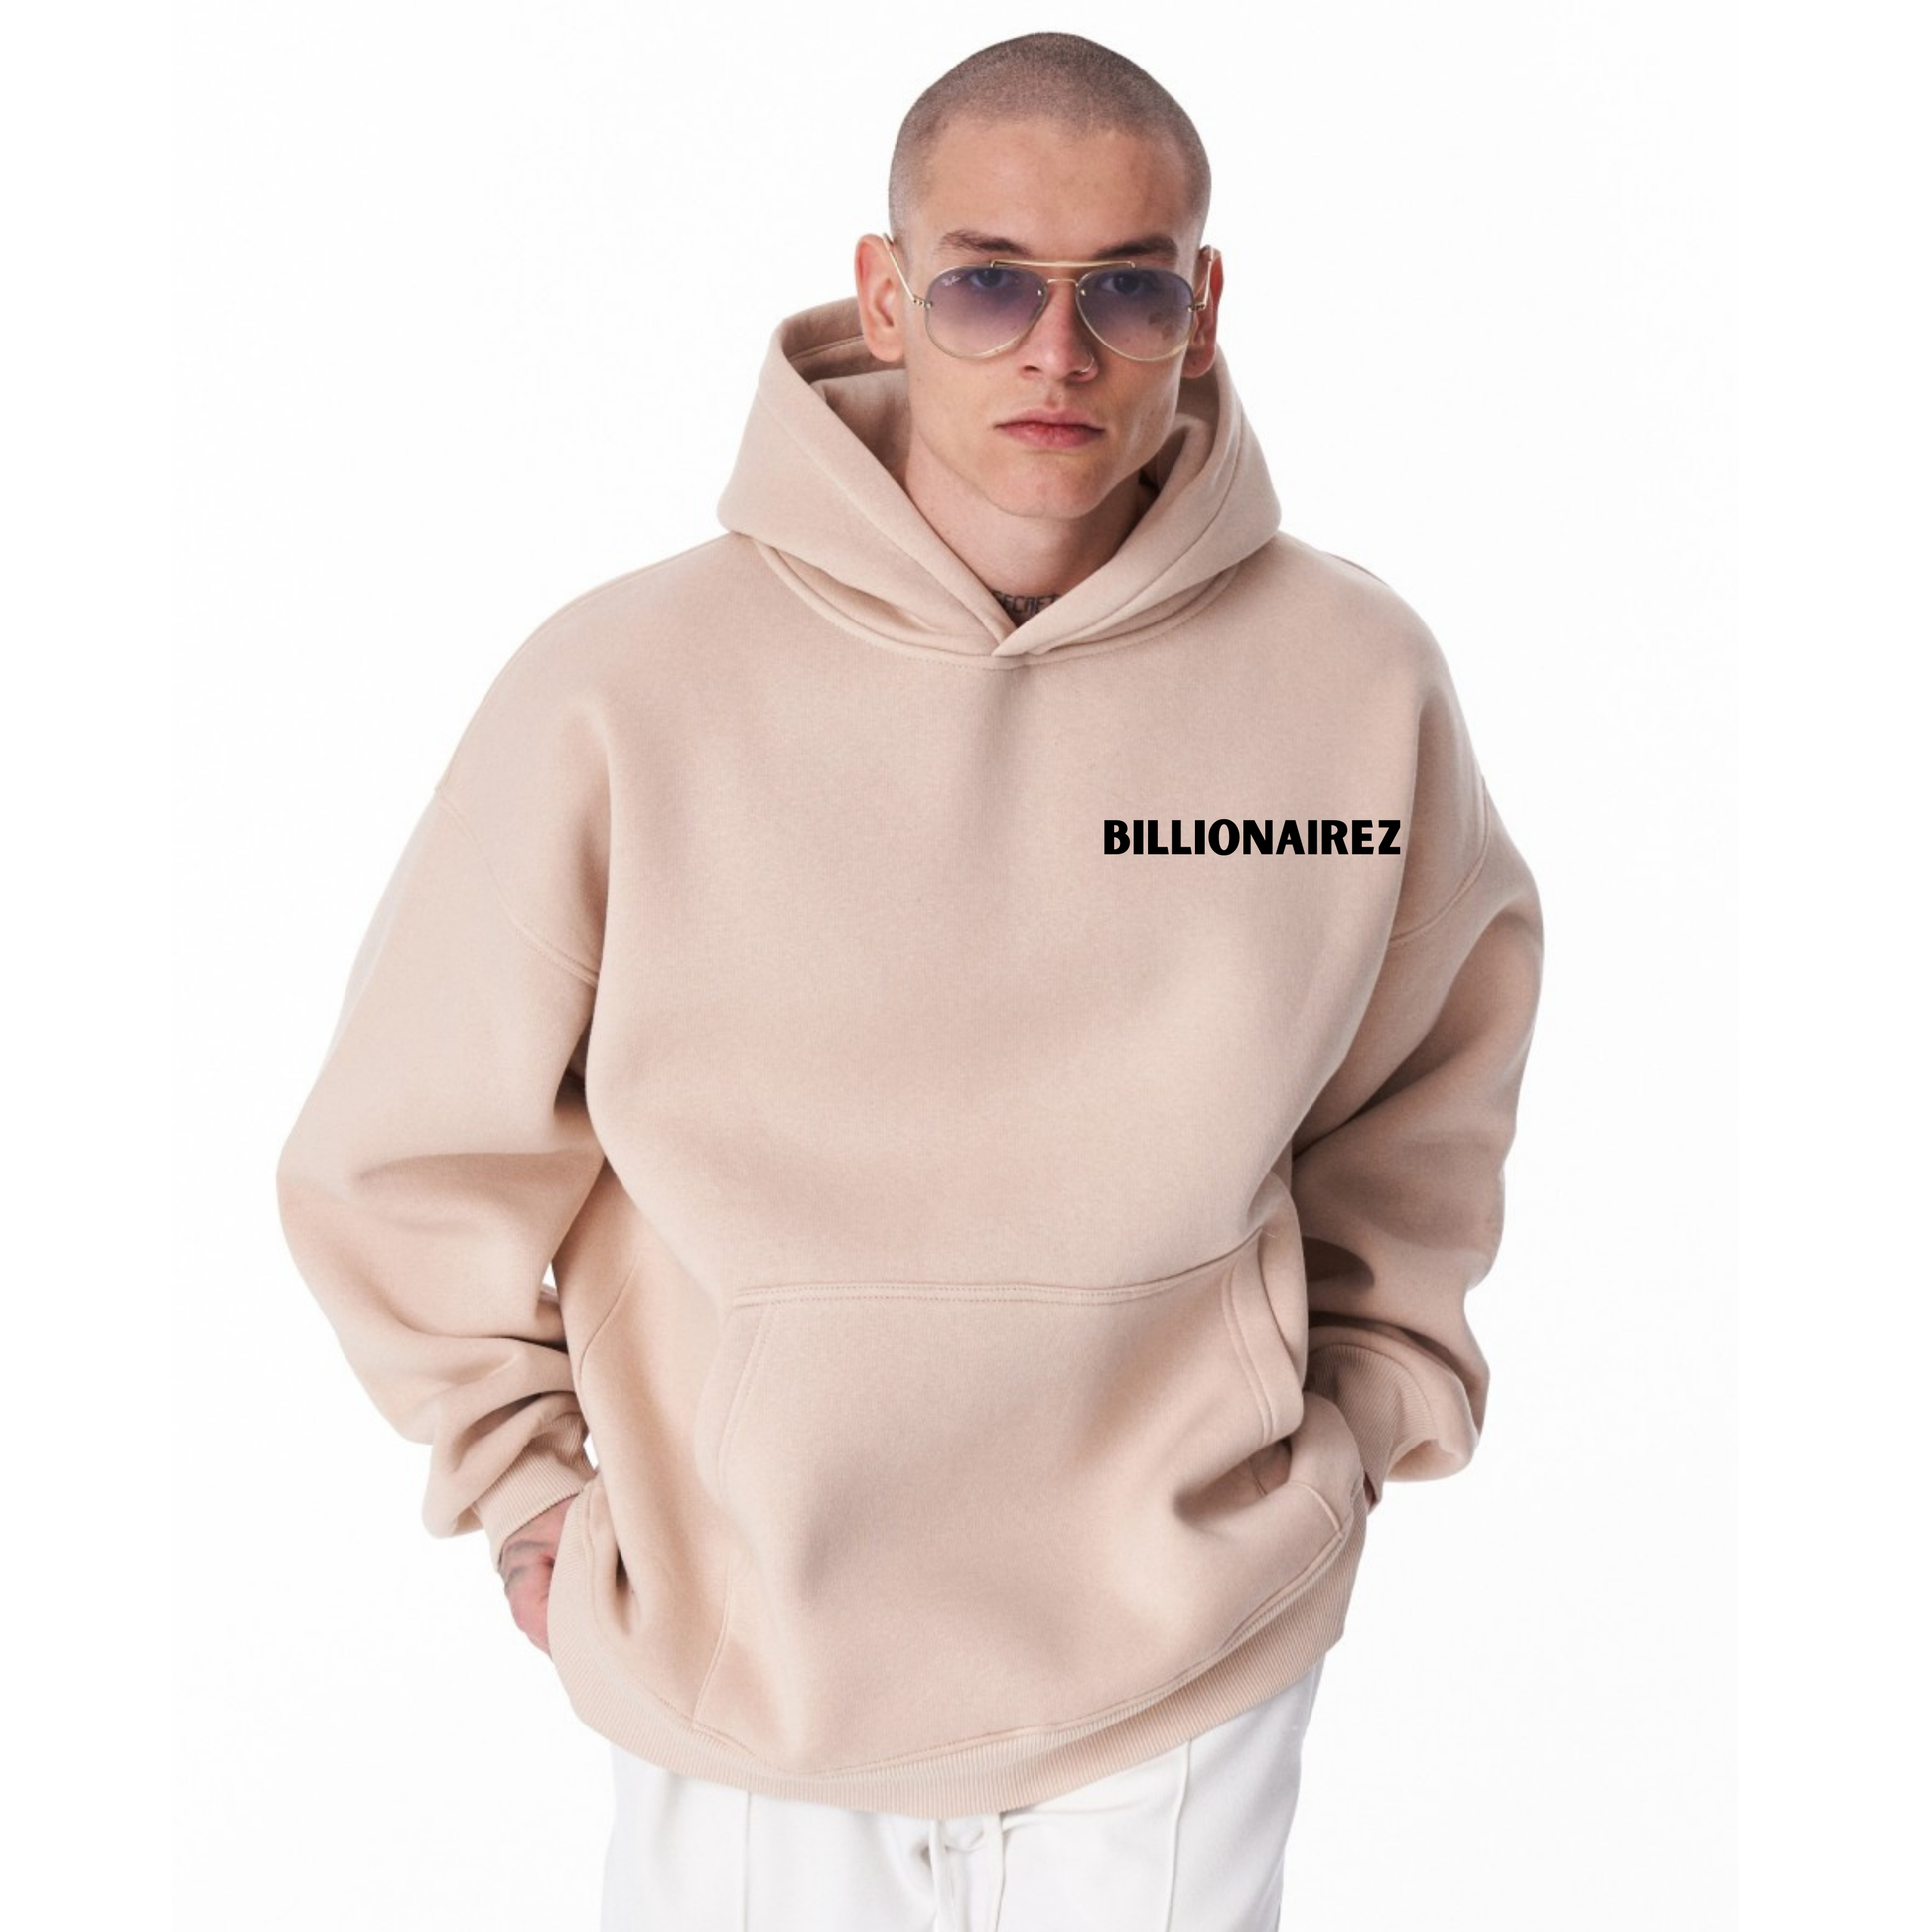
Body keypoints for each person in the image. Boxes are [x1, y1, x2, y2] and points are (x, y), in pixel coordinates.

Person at [277, 31, 1543, 1931]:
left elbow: (1426, 1085)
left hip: (1189, 1638)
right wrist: (524, 1486)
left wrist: (1356, 1427)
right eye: (987, 285)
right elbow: (403, 1148)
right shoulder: (626, 685)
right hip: (740, 1649)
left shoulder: (1353, 682)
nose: (1059, 352)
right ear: (883, 296)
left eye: (1125, 289)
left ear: (1200, 309)